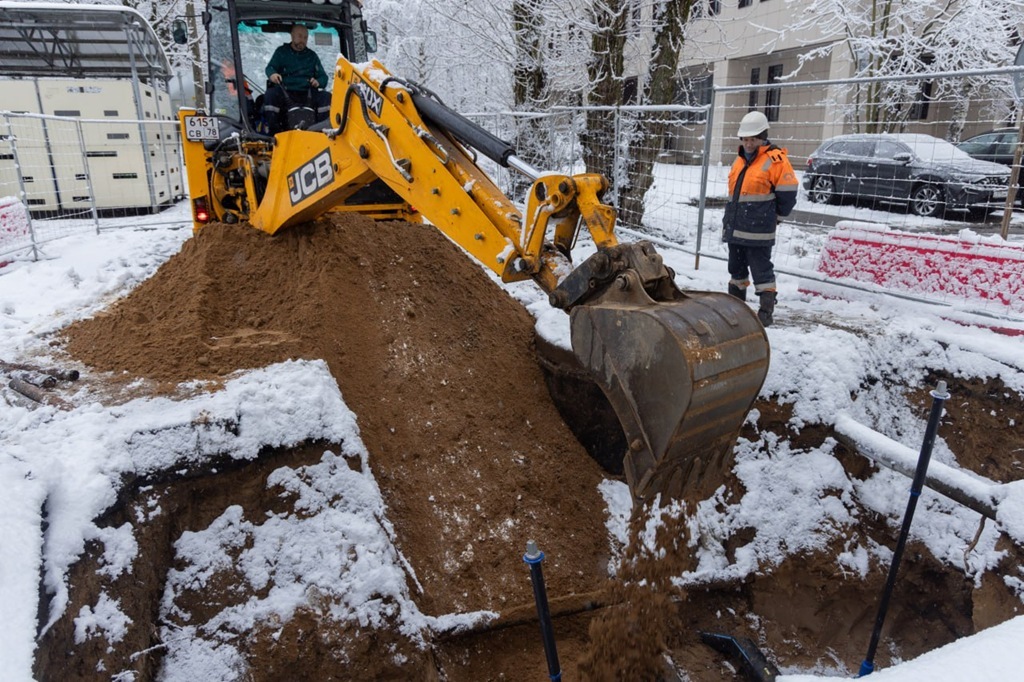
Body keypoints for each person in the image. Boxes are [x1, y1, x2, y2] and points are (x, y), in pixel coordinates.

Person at [722, 110, 798, 327]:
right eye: (745, 139)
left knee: (761, 270)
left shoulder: (776, 159)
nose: (748, 143)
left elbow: (788, 192)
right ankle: (736, 309)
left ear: (763, 137)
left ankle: (765, 312)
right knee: (735, 270)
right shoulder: (739, 160)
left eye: (753, 139)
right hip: (736, 227)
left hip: (759, 230)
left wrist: (778, 217)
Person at [262, 24, 331, 133]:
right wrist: (273, 75)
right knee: (270, 95)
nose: (302, 40)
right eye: (299, 36)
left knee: (326, 97)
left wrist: (318, 82)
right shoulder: (282, 52)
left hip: (307, 93)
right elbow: (270, 68)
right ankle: (274, 134)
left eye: (305, 38)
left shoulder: (312, 56)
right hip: (285, 93)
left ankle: (322, 132)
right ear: (292, 35)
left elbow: (324, 78)